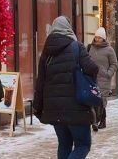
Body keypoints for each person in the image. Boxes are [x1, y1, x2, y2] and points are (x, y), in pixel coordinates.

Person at [36, 17, 100, 158]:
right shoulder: (76, 46)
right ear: (68, 29)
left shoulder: (46, 53)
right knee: (83, 145)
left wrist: (37, 108)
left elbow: (40, 82)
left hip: (54, 109)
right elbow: (92, 68)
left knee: (64, 144)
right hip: (76, 108)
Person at [88, 27, 118, 131]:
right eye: (96, 37)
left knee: (101, 101)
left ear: (104, 38)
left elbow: (114, 64)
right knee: (94, 100)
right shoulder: (90, 48)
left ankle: (96, 121)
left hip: (104, 79)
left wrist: (108, 74)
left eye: (99, 38)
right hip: (92, 78)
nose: (97, 39)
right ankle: (101, 121)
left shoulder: (109, 50)